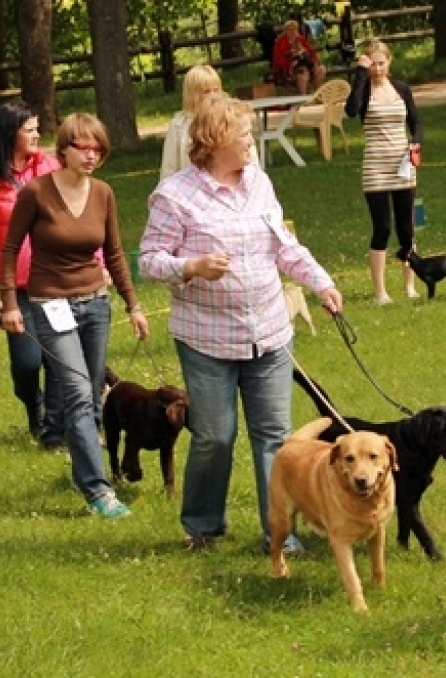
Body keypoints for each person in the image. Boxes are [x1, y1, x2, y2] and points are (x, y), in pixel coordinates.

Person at [138, 94, 343, 552]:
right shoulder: (175, 196)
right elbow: (149, 261)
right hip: (207, 338)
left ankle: (280, 535)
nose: (252, 141)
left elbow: (284, 246)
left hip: (268, 331)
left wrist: (321, 283)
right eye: (244, 135)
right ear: (215, 141)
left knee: (275, 437)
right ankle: (202, 527)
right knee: (214, 437)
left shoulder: (259, 183)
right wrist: (190, 266)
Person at [0, 112, 149, 519]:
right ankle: (99, 491)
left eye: (98, 148)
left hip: (95, 304)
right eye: (83, 147)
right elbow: (9, 249)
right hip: (50, 304)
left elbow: (114, 253)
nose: (91, 155)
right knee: (78, 394)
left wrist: (133, 305)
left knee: (94, 392)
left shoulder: (103, 193)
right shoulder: (36, 192)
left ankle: (85, 469)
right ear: (63, 149)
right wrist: (10, 302)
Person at [0, 100, 64, 448]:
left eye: (38, 128)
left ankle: (53, 426)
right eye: (30, 130)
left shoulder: (51, 167)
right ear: (10, 134)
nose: (38, 135)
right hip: (15, 289)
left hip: (55, 281)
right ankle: (32, 403)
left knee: (58, 358)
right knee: (27, 362)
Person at [344, 38, 421, 305]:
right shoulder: (364, 90)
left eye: (381, 63)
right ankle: (380, 291)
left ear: (389, 62)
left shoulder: (402, 89)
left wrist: (416, 141)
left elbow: (416, 122)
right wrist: (359, 74)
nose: (377, 69)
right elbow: (351, 111)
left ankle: (410, 285)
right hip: (375, 166)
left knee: (406, 228)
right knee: (383, 228)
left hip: (402, 165)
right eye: (372, 64)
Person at [160, 64, 258, 182]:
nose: (212, 96)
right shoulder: (179, 126)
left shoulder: (232, 118)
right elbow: (169, 168)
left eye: (215, 90)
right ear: (192, 95)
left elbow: (250, 157)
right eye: (206, 92)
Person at [272, 19, 326, 95]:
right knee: (302, 73)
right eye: (290, 30)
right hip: (288, 69)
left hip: (306, 63)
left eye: (294, 29)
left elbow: (311, 52)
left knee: (321, 70)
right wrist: (291, 64)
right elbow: (278, 60)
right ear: (285, 31)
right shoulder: (279, 42)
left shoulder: (301, 39)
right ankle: (303, 97)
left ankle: (317, 94)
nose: (292, 32)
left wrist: (316, 62)